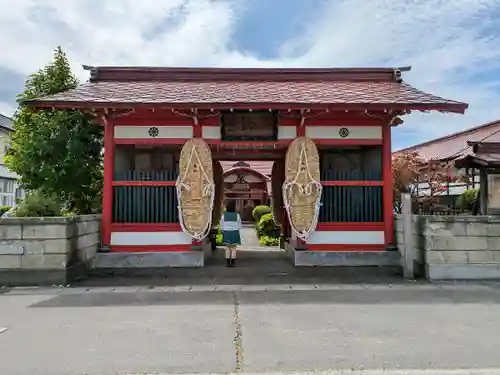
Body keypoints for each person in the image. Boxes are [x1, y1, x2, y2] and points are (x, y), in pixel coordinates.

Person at [220, 202, 242, 267]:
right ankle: (232, 262)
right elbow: (240, 225)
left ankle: (227, 262)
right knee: (234, 248)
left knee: (227, 248)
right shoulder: (237, 215)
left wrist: (223, 230)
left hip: (226, 232)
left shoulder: (224, 215)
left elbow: (221, 224)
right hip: (234, 232)